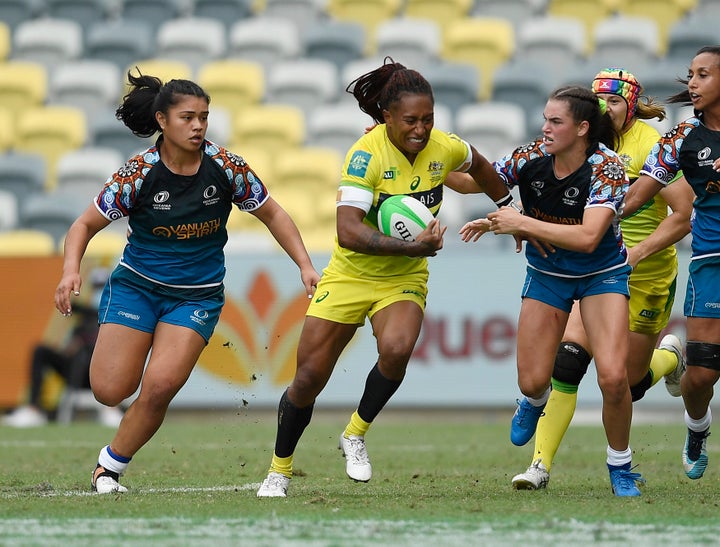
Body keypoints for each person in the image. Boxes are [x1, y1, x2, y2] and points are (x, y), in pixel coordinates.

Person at [256, 58, 517, 498]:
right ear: (387, 117)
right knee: (308, 379)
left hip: (403, 277)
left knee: (397, 349)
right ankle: (278, 470)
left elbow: (479, 165)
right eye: (411, 120)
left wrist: (508, 205)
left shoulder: (444, 147)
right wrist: (414, 246)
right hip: (349, 275)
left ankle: (354, 433)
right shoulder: (365, 155)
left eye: (428, 119)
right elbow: (348, 230)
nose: (421, 128)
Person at [53, 72, 320, 494]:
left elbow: (274, 213)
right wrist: (71, 270)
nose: (198, 126)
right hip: (137, 288)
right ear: (162, 120)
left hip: (196, 297)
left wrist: (304, 264)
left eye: (204, 117)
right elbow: (83, 224)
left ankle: (108, 469)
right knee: (108, 389)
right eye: (188, 117)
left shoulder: (227, 167)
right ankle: (111, 450)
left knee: (159, 386)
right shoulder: (138, 173)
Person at [509, 68, 694, 490]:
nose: (607, 108)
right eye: (600, 101)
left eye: (615, 101)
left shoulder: (651, 146)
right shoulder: (576, 147)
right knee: (569, 360)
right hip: (590, 267)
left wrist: (639, 252)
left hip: (643, 273)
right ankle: (539, 466)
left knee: (624, 381)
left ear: (630, 106)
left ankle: (670, 358)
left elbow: (684, 215)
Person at [460, 85, 644, 496]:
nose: (544, 128)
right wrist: (420, 155)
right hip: (547, 276)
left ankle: (620, 466)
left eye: (554, 121)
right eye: (544, 118)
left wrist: (520, 222)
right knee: (532, 382)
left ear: (582, 128)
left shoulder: (608, 167)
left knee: (614, 378)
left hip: (602, 275)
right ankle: (533, 401)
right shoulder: (528, 158)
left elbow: (589, 237)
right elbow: (470, 179)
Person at [622, 46, 720, 481]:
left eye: (703, 75)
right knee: (699, 378)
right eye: (690, 75)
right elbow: (638, 194)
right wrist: (586, 220)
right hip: (711, 264)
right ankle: (698, 426)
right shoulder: (681, 140)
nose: (692, 84)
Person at [3, 286, 123, 428]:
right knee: (40, 351)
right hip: (74, 369)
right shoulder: (82, 320)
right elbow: (70, 350)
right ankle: (33, 409)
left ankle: (112, 408)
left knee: (105, 354)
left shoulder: (117, 314)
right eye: (95, 287)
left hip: (98, 373)